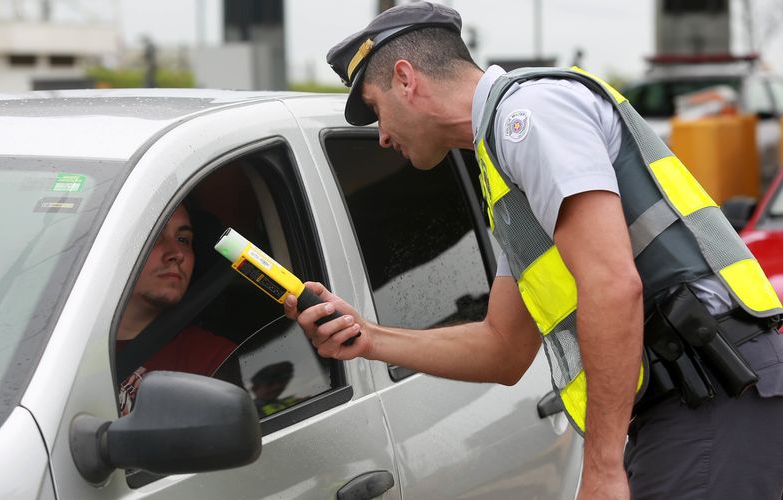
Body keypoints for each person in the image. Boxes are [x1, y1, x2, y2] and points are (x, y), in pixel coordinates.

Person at [284, 3, 783, 499]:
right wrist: (367, 338)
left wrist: (604, 468)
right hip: (704, 405)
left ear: (406, 79)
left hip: (715, 396)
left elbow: (611, 286)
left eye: (375, 109)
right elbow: (503, 348)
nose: (382, 136)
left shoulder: (528, 116)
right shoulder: (505, 173)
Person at [117, 203, 236, 416]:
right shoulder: (60, 345)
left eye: (183, 240)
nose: (177, 254)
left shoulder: (214, 360)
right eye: (154, 237)